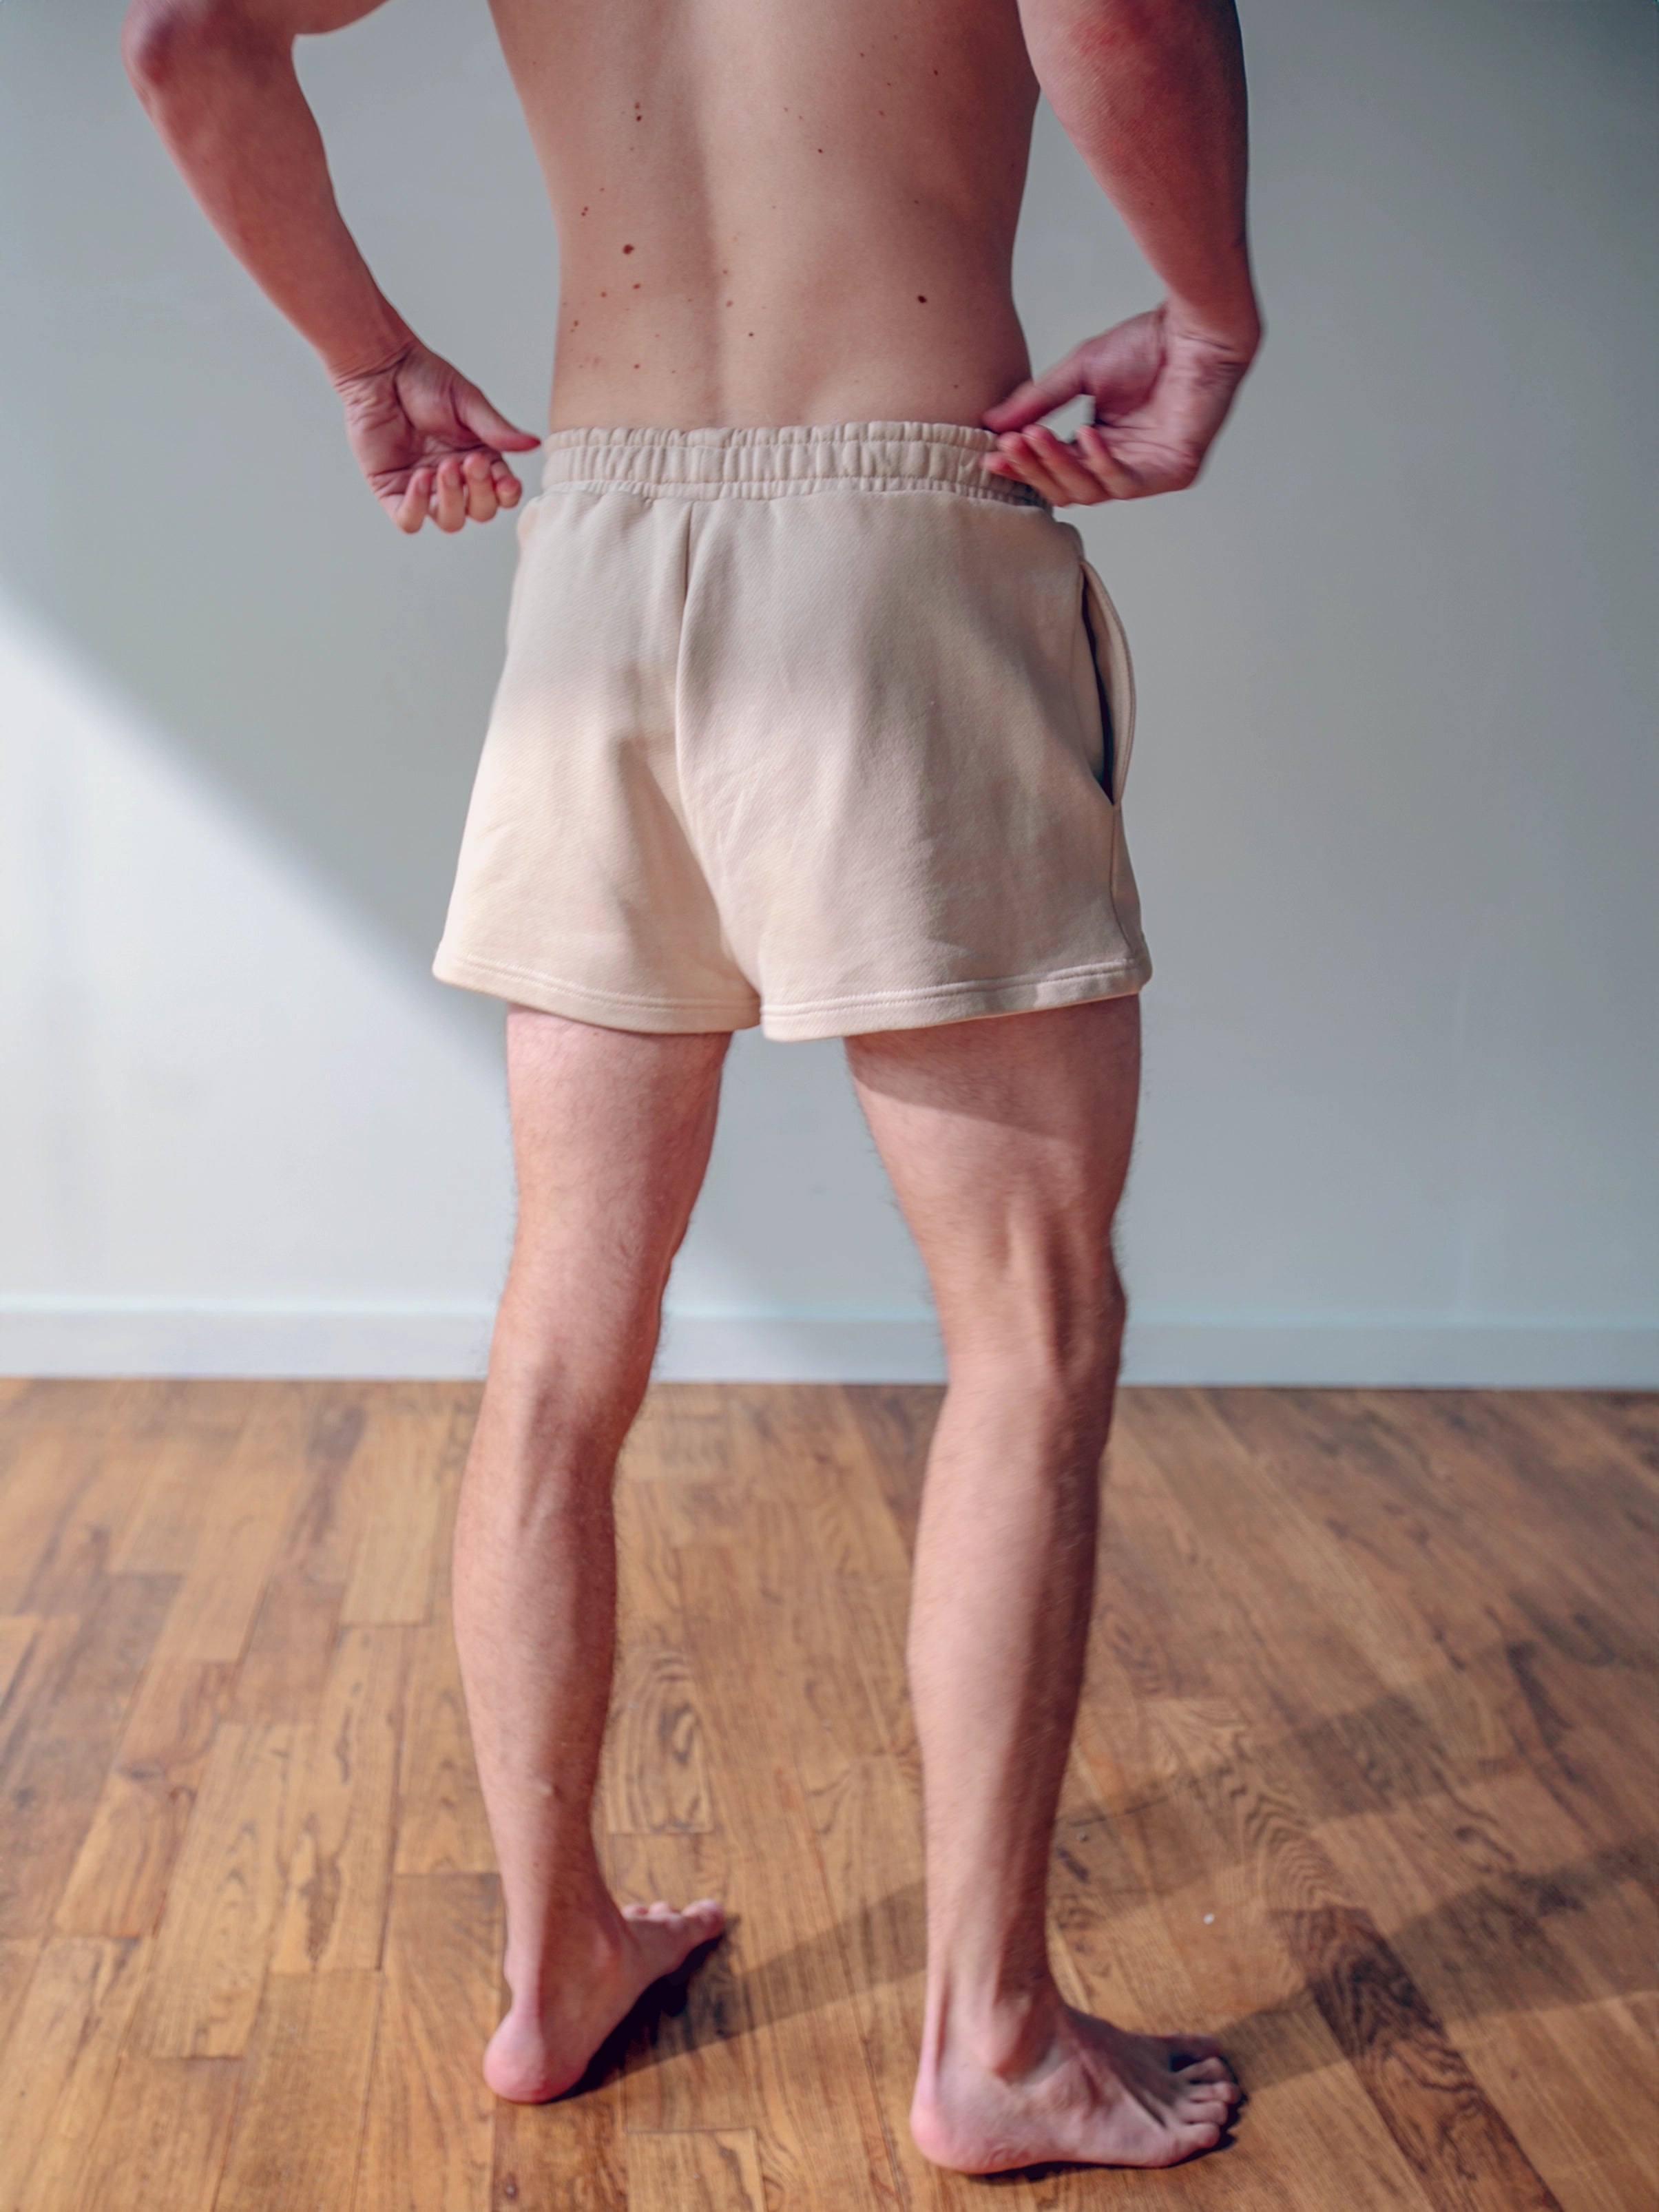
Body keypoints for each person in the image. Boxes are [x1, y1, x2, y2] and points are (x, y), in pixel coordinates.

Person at [122, 0, 1259, 2172]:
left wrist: (370, 358)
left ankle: (557, 1967)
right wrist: (1205, 314)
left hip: (605, 553)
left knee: (564, 1327)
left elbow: (187, 43)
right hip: (896, 525)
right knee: (1027, 1328)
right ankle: (990, 2041)